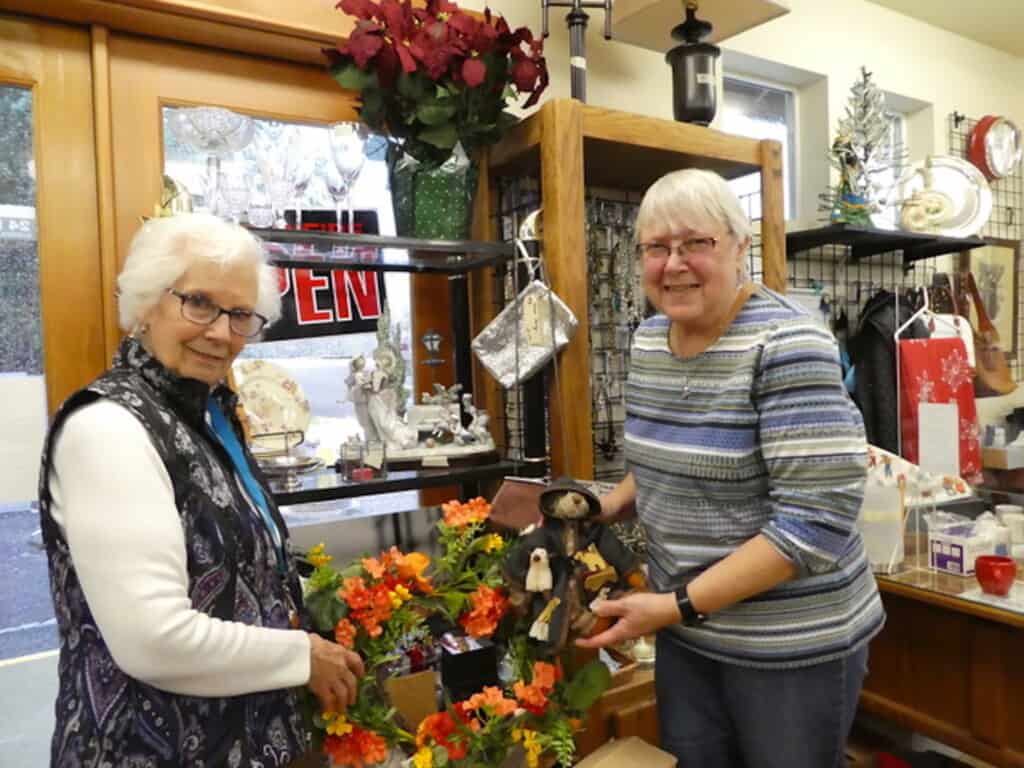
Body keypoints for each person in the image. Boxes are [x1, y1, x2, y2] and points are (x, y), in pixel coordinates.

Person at [577, 170, 884, 768]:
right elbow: (668, 460)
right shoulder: (647, 342)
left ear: (741, 246)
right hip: (690, 637)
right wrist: (608, 506)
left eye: (696, 243)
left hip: (791, 647)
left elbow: (812, 526)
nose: (674, 264)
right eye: (656, 247)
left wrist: (674, 606)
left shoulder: (788, 345)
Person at [38, 213, 364, 767]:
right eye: (199, 303)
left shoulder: (210, 414)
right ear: (144, 305)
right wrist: (303, 655)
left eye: (240, 314)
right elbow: (154, 640)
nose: (221, 332)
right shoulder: (109, 429)